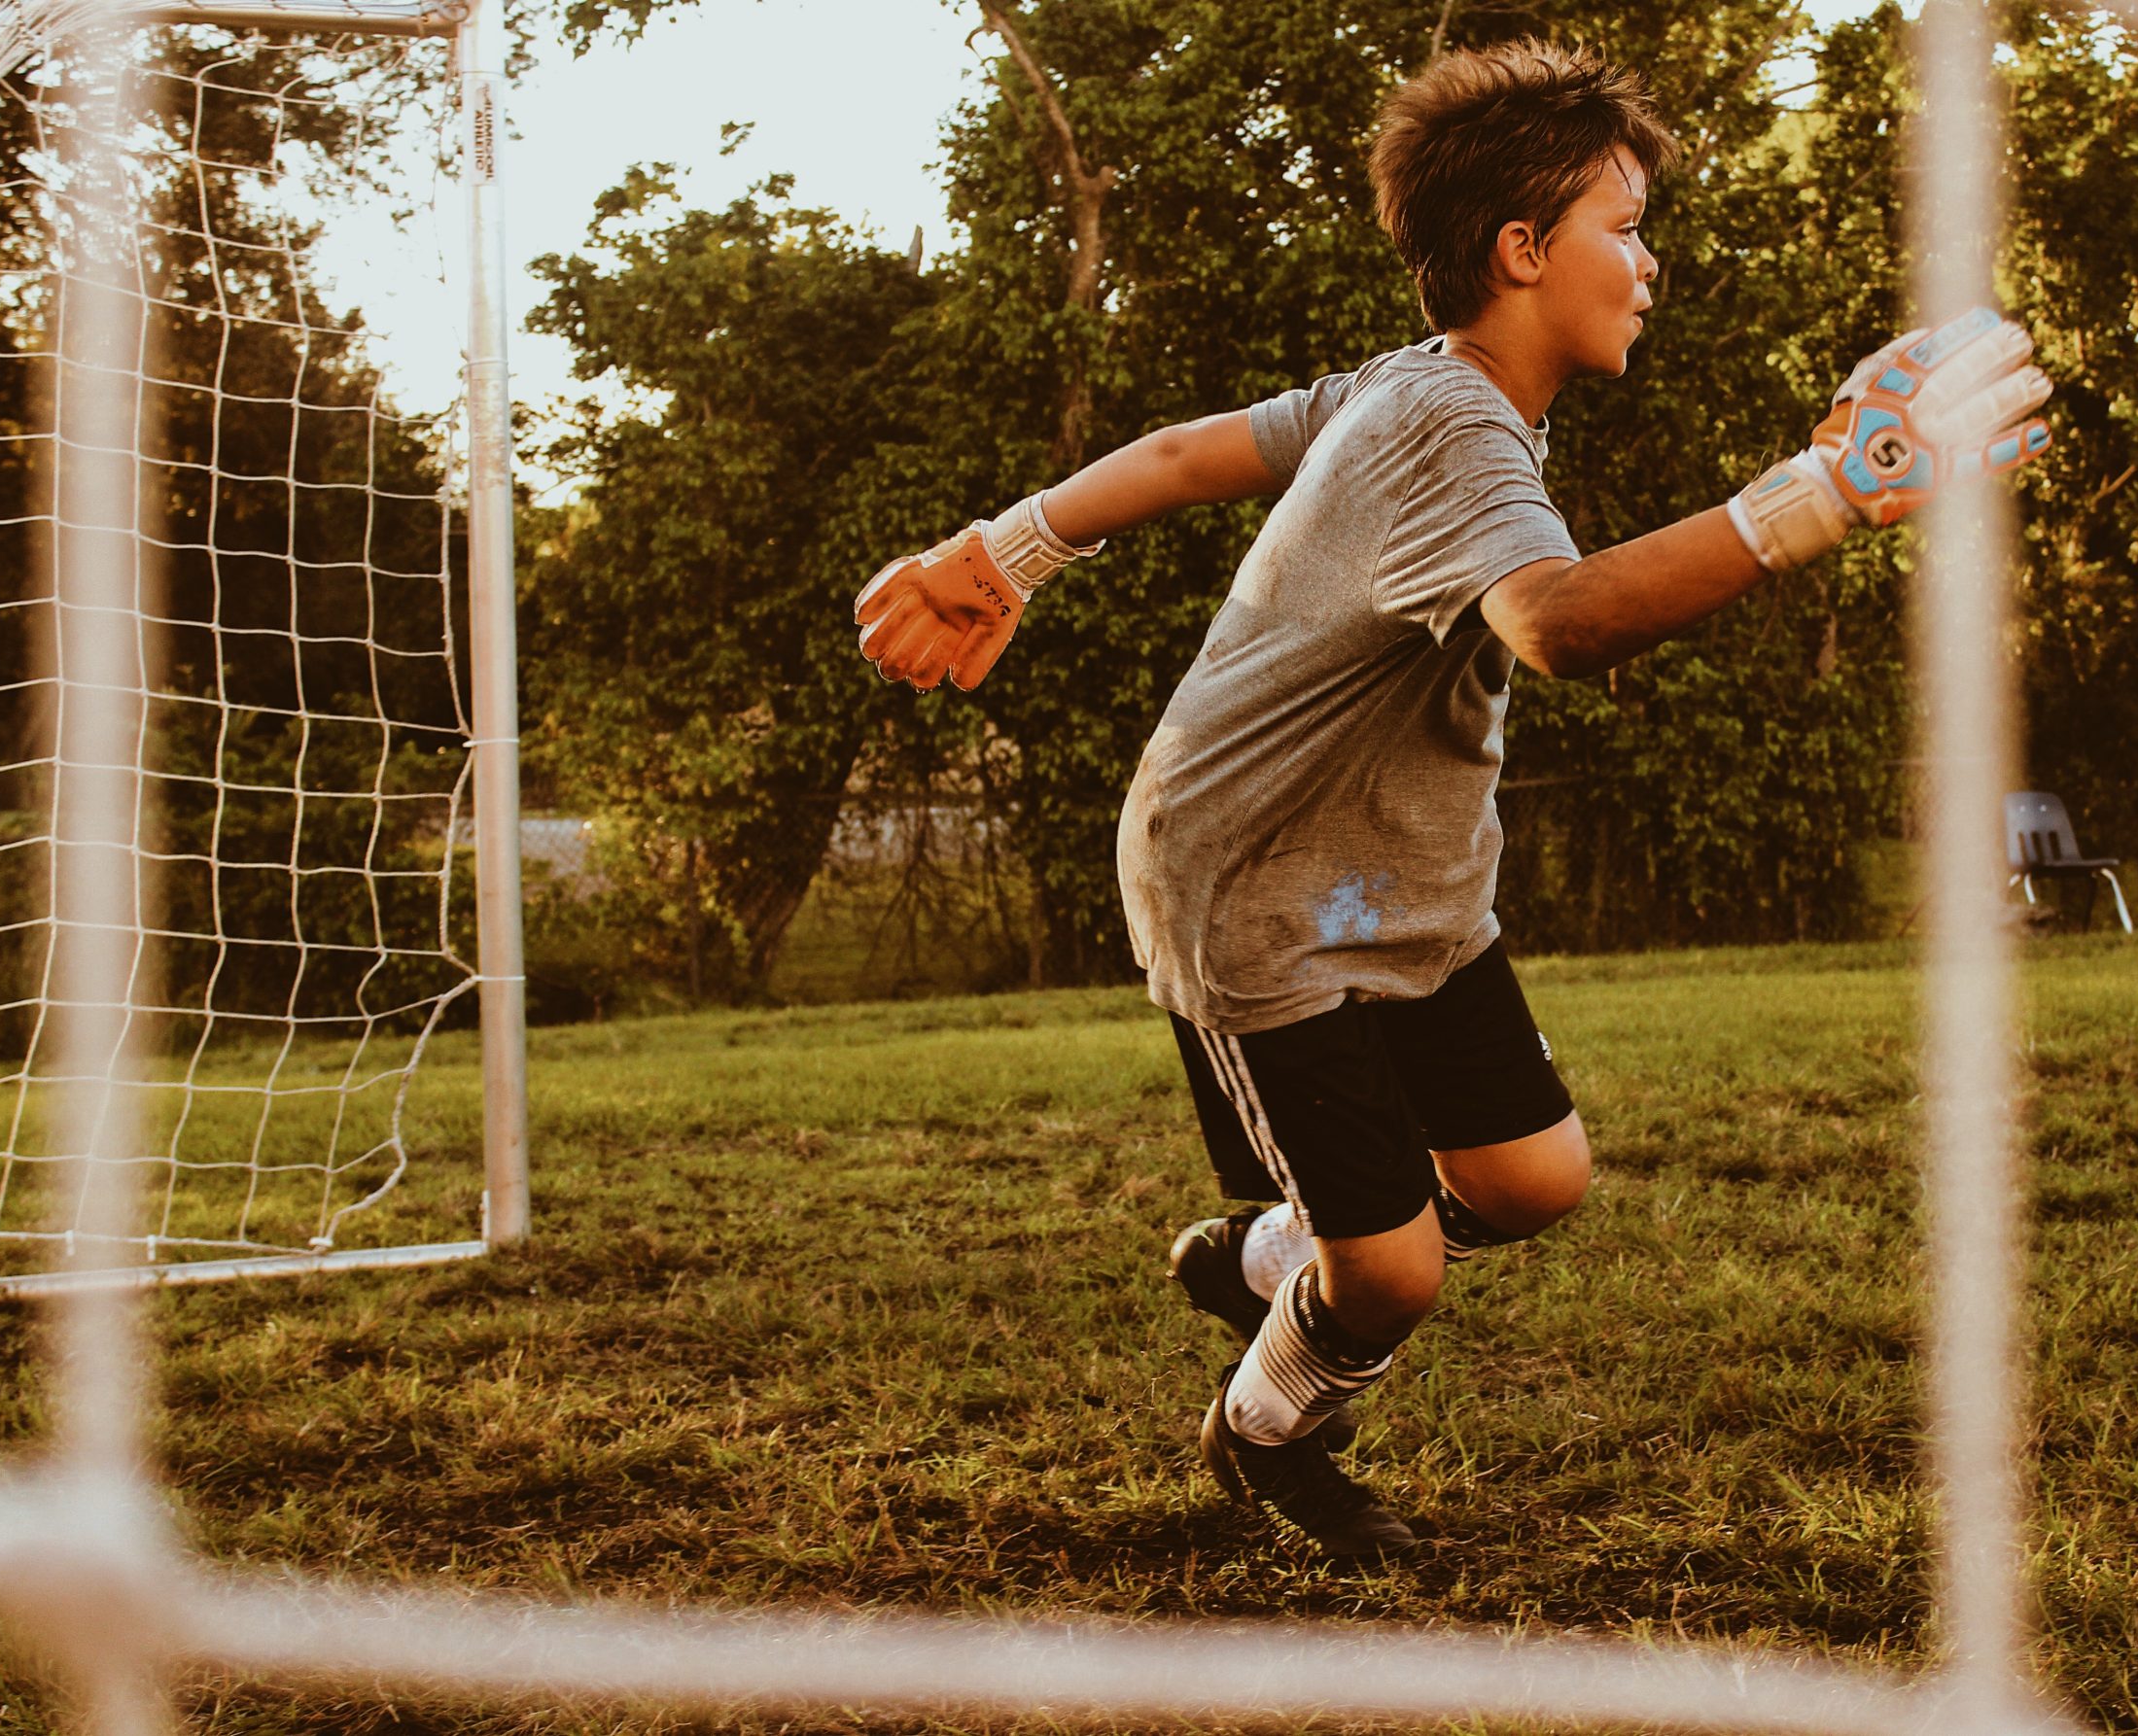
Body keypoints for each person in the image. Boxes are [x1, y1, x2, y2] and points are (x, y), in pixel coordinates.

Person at [853, 38, 2052, 1562]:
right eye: (1625, 228)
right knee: (1399, 1273)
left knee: (1533, 1176)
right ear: (1521, 250)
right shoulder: (1448, 422)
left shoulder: (1408, 388)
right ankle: (1270, 1421)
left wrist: (1005, 550)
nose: (1650, 263)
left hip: (1393, 888)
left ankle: (1280, 1247)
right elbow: (1557, 623)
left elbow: (1179, 453)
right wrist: (1822, 492)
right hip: (1262, 896)